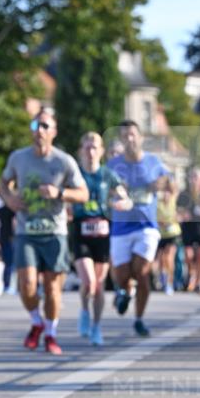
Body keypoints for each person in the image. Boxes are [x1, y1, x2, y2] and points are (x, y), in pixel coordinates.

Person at [0, 107, 88, 355]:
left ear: (54, 132)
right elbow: (4, 182)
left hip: (54, 232)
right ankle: (36, 322)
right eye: (35, 126)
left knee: (51, 288)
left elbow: (83, 194)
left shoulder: (64, 161)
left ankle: (50, 333)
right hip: (27, 230)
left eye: (45, 127)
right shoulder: (19, 158)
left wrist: (59, 193)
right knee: (27, 284)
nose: (39, 131)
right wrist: (10, 199)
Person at [108, 121, 172, 337]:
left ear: (140, 137)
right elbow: (104, 192)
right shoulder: (113, 165)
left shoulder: (153, 162)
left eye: (133, 135)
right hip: (120, 227)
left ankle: (139, 319)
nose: (130, 139)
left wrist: (161, 185)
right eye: (125, 135)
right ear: (121, 139)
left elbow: (170, 183)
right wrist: (113, 197)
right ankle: (124, 291)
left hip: (147, 226)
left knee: (142, 271)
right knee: (122, 275)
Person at [70, 131, 131, 347]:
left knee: (99, 284)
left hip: (103, 233)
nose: (91, 150)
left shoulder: (108, 175)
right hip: (81, 231)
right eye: (87, 146)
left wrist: (121, 204)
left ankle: (96, 326)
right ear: (81, 151)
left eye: (95, 146)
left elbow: (125, 199)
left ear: (102, 151)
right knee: (89, 281)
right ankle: (84, 311)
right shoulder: (75, 174)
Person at [177, 166, 200, 294]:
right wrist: (182, 214)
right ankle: (192, 274)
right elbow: (178, 209)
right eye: (192, 177)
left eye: (196, 177)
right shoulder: (183, 194)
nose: (193, 180)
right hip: (188, 226)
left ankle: (199, 281)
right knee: (188, 255)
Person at [156, 187, 181, 295]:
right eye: (164, 192)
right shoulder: (158, 203)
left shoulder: (174, 201)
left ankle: (170, 283)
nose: (166, 194)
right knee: (161, 260)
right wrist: (162, 223)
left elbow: (178, 216)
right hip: (161, 234)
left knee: (168, 257)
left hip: (173, 234)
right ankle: (163, 279)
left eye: (168, 192)